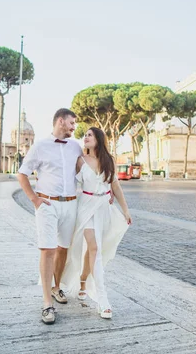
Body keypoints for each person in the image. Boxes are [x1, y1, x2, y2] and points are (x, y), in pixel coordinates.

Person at [17, 108, 83, 324]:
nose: (74, 127)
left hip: (70, 204)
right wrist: (35, 200)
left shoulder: (75, 146)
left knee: (63, 248)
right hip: (47, 203)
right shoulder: (40, 146)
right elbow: (22, 174)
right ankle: (47, 303)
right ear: (61, 121)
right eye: (72, 123)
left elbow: (88, 171)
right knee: (48, 250)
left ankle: (56, 288)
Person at [61, 127, 132, 319]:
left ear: (99, 139)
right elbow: (69, 184)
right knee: (94, 248)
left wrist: (125, 210)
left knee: (92, 250)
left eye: (89, 135)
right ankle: (103, 300)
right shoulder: (80, 161)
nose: (85, 137)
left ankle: (83, 280)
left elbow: (115, 185)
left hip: (104, 208)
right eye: (84, 135)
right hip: (86, 206)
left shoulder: (109, 161)